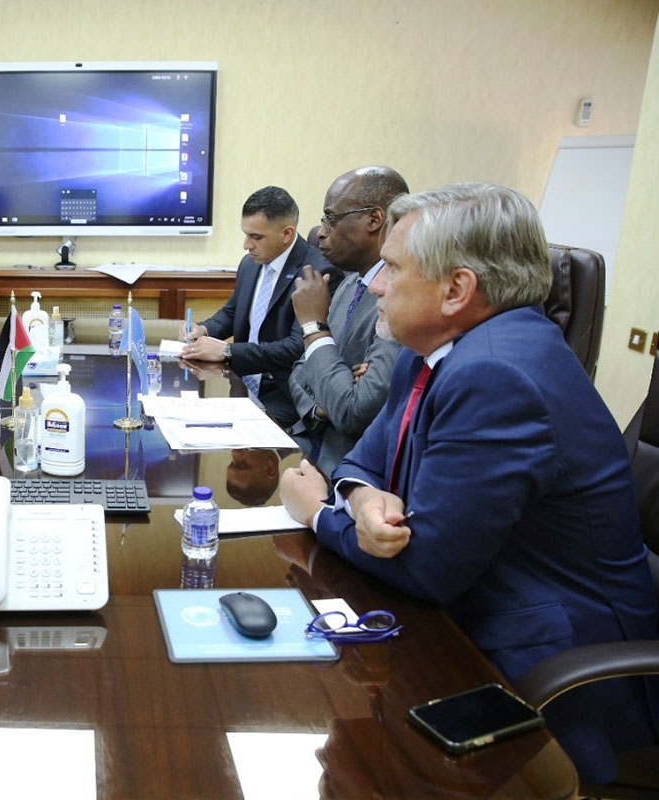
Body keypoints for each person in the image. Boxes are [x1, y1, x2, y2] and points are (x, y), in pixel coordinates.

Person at [279, 182, 659, 782]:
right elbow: (363, 458)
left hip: (546, 674)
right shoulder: (429, 348)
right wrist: (359, 496)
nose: (375, 285)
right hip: (464, 614)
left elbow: (426, 569)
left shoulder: (497, 375)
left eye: (393, 268)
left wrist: (319, 513)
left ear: (456, 290)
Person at [181, 186, 336, 426]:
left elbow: (297, 347)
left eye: (256, 237)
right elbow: (233, 313)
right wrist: (203, 329)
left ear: (286, 234)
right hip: (240, 383)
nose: (247, 245)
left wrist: (228, 351)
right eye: (246, 234)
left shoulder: (316, 273)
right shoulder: (249, 264)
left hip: (285, 396)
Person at [287, 167, 408, 474]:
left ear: (374, 219)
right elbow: (299, 370)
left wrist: (314, 328)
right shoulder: (348, 283)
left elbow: (353, 411)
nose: (321, 232)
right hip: (306, 449)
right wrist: (322, 407)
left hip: (349, 470)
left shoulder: (398, 297)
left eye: (331, 218)